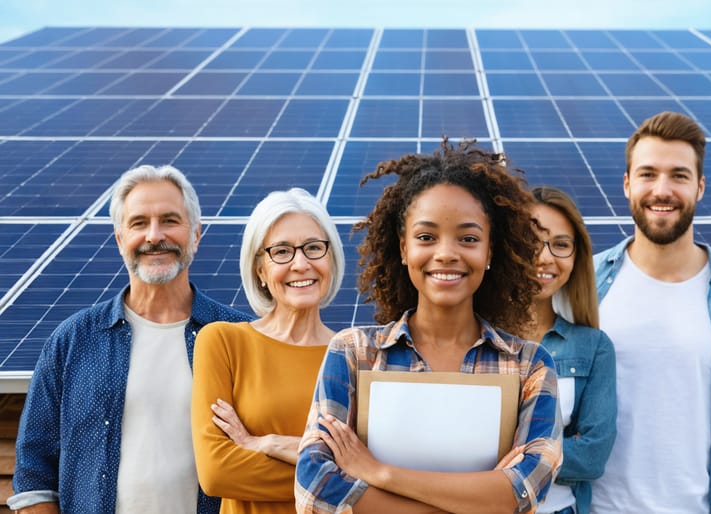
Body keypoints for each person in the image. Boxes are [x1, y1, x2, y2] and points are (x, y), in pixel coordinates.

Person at [294, 139, 562, 514]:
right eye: (426, 237)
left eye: (468, 238)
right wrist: (480, 501)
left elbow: (522, 492)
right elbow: (314, 489)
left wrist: (379, 473)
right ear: (403, 249)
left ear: (489, 253)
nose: (446, 253)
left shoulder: (529, 366)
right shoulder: (354, 353)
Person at [9, 165, 251, 514]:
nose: (154, 236)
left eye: (170, 220)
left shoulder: (240, 336)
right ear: (120, 238)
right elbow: (34, 473)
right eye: (139, 223)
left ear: (196, 234)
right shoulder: (73, 341)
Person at [590, 111, 711, 514]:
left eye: (678, 175)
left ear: (700, 187)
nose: (662, 190)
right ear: (627, 184)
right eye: (647, 174)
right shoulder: (582, 286)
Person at [191, 188, 346, 514]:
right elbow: (216, 472)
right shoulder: (222, 342)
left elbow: (375, 473)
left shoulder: (354, 354)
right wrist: (335, 474)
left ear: (330, 258)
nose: (301, 263)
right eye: (282, 252)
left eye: (314, 248)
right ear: (260, 269)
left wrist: (267, 444)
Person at [523, 186, 616, 514]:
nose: (545, 256)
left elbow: (592, 456)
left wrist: (506, 454)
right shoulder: (471, 335)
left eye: (561, 245)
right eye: (531, 241)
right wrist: (547, 453)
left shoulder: (593, 348)